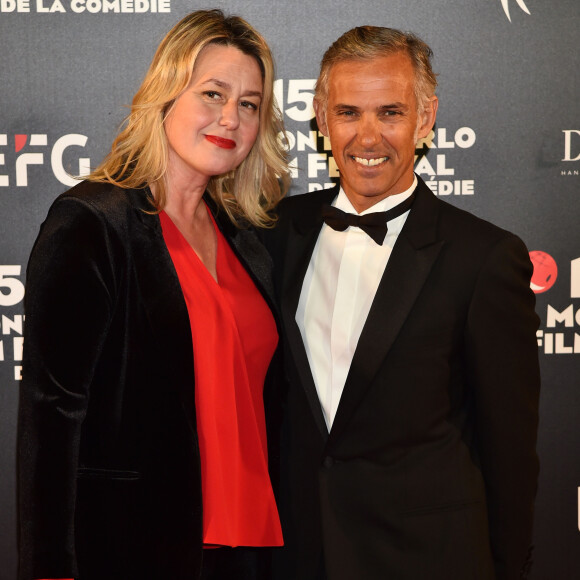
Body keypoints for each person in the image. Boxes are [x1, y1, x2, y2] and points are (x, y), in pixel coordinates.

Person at [18, 9, 289, 580]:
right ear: (165, 95)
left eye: (249, 103)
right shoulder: (92, 224)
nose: (230, 118)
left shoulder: (245, 238)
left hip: (250, 550)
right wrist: (50, 568)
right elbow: (53, 415)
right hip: (130, 546)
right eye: (212, 93)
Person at [266, 25, 540, 580]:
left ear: (425, 118)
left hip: (427, 558)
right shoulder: (274, 234)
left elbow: (509, 449)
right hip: (297, 554)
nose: (368, 138)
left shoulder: (484, 256)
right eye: (348, 113)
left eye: (389, 113)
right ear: (320, 117)